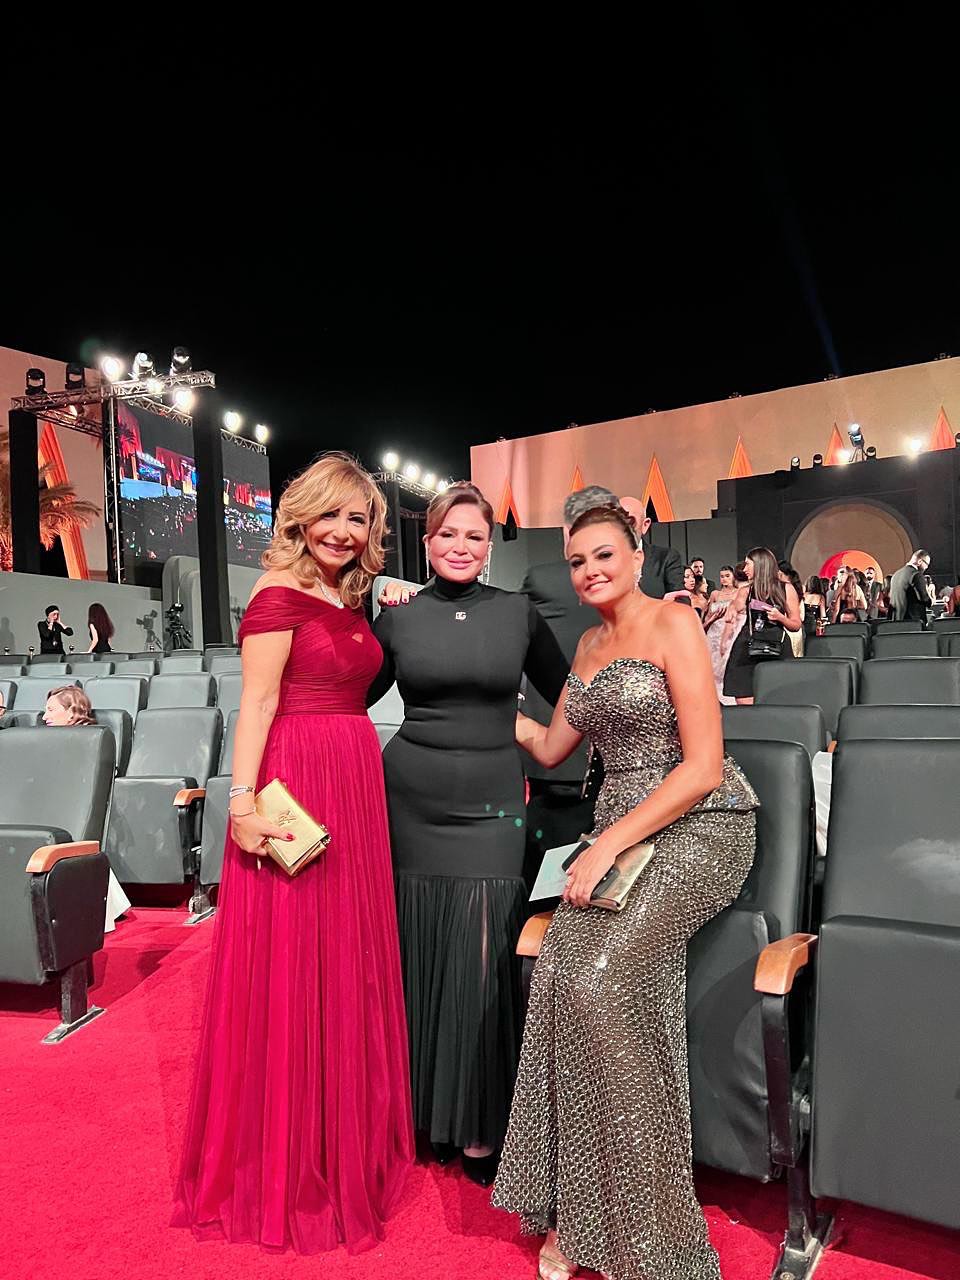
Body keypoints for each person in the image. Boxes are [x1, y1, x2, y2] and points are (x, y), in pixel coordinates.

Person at [492, 502, 758, 1280]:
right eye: (578, 561)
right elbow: (551, 746)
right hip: (621, 842)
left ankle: (648, 1233)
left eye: (604, 554)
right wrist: (480, 700)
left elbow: (702, 767)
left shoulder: (674, 624)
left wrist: (608, 841)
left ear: (639, 556)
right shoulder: (586, 645)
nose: (591, 571)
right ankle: (579, 1212)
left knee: (604, 982)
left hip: (701, 826)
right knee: (557, 975)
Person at [173, 452, 414, 1254]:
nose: (344, 531)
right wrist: (240, 804)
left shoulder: (346, 597)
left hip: (353, 777)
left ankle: (346, 1136)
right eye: (331, 515)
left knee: (344, 956)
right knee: (293, 957)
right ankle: (290, 1155)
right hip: (298, 777)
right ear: (301, 517)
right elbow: (258, 704)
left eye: (359, 519)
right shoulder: (277, 592)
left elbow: (362, 682)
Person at [368, 481, 568, 1187]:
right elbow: (344, 696)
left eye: (474, 536)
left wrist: (540, 741)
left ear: (490, 546)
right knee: (417, 949)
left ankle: (479, 1121)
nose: (460, 546)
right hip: (409, 802)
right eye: (447, 534)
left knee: (481, 959)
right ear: (426, 542)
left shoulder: (517, 613)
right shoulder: (398, 617)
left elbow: (571, 690)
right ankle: (425, 1114)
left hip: (490, 806)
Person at [43, 686, 132, 932]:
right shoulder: (47, 742)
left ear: (72, 712)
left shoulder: (90, 742)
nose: (44, 716)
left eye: (51, 710)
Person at [722, 547, 801, 705]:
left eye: (748, 564)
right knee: (744, 700)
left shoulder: (786, 588)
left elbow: (796, 624)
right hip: (748, 646)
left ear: (760, 565)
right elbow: (737, 604)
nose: (744, 569)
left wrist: (780, 617)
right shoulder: (746, 590)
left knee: (778, 700)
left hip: (776, 646)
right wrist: (731, 609)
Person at [703, 565, 744, 704]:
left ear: (733, 576)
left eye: (727, 576)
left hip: (730, 631)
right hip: (714, 633)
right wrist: (711, 618)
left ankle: (728, 697)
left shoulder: (739, 593)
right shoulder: (715, 594)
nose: (724, 579)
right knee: (712, 665)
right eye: (722, 576)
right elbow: (708, 615)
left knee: (726, 663)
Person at [889, 550, 931, 623]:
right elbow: (923, 598)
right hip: (912, 622)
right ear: (920, 561)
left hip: (895, 621)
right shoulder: (916, 574)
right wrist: (930, 600)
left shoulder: (896, 574)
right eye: (927, 564)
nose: (926, 567)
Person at [778, 560, 806, 656]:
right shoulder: (798, 587)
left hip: (789, 629)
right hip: (794, 631)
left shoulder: (787, 589)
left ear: (780, 573)